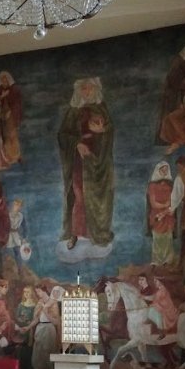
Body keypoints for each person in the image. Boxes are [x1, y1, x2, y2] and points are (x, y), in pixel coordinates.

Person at [57, 77, 115, 252]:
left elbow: (109, 131)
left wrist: (101, 132)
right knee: (79, 196)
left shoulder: (101, 109)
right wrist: (77, 144)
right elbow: (62, 135)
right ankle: (75, 233)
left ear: (96, 90)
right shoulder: (73, 112)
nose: (87, 92)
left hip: (99, 162)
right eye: (83, 89)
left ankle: (96, 233)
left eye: (90, 88)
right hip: (80, 161)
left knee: (98, 197)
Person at [156, 41, 185, 143]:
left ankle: (184, 137)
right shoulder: (178, 60)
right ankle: (171, 137)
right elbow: (173, 77)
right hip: (174, 93)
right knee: (173, 114)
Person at [21, 285, 62, 369]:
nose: (37, 294)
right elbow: (37, 319)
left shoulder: (53, 303)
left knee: (47, 353)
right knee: (37, 354)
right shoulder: (40, 303)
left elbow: (56, 321)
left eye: (38, 291)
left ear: (44, 291)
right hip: (40, 328)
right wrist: (28, 327)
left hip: (49, 329)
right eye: (36, 292)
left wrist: (46, 311)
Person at [146, 161, 176, 266]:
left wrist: (168, 207)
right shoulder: (152, 185)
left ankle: (168, 260)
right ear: (158, 171)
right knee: (157, 238)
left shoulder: (171, 185)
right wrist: (165, 205)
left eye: (166, 170)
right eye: (162, 170)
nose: (164, 172)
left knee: (168, 237)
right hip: (156, 215)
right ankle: (156, 260)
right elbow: (153, 203)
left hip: (168, 215)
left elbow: (173, 200)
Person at [0, 71, 23, 164]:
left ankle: (16, 155)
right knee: (5, 136)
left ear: (9, 80)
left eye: (5, 80)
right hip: (2, 116)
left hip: (11, 116)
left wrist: (11, 111)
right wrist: (2, 96)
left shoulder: (13, 90)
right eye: (2, 80)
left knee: (13, 135)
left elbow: (17, 103)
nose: (4, 82)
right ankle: (8, 156)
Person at [12, 285, 38, 369]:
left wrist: (29, 323)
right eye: (24, 292)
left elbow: (36, 318)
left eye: (28, 292)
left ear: (32, 293)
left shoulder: (35, 305)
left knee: (29, 350)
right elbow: (17, 317)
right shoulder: (21, 305)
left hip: (31, 330)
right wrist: (21, 321)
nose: (26, 294)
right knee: (20, 350)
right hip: (21, 330)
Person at [5, 199, 27, 269]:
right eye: (16, 204)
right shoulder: (7, 214)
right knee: (4, 251)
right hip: (7, 234)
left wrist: (24, 237)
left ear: (21, 207)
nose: (17, 207)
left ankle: (19, 269)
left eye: (19, 205)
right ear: (13, 205)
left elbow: (24, 227)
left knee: (17, 252)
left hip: (15, 235)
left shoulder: (21, 216)